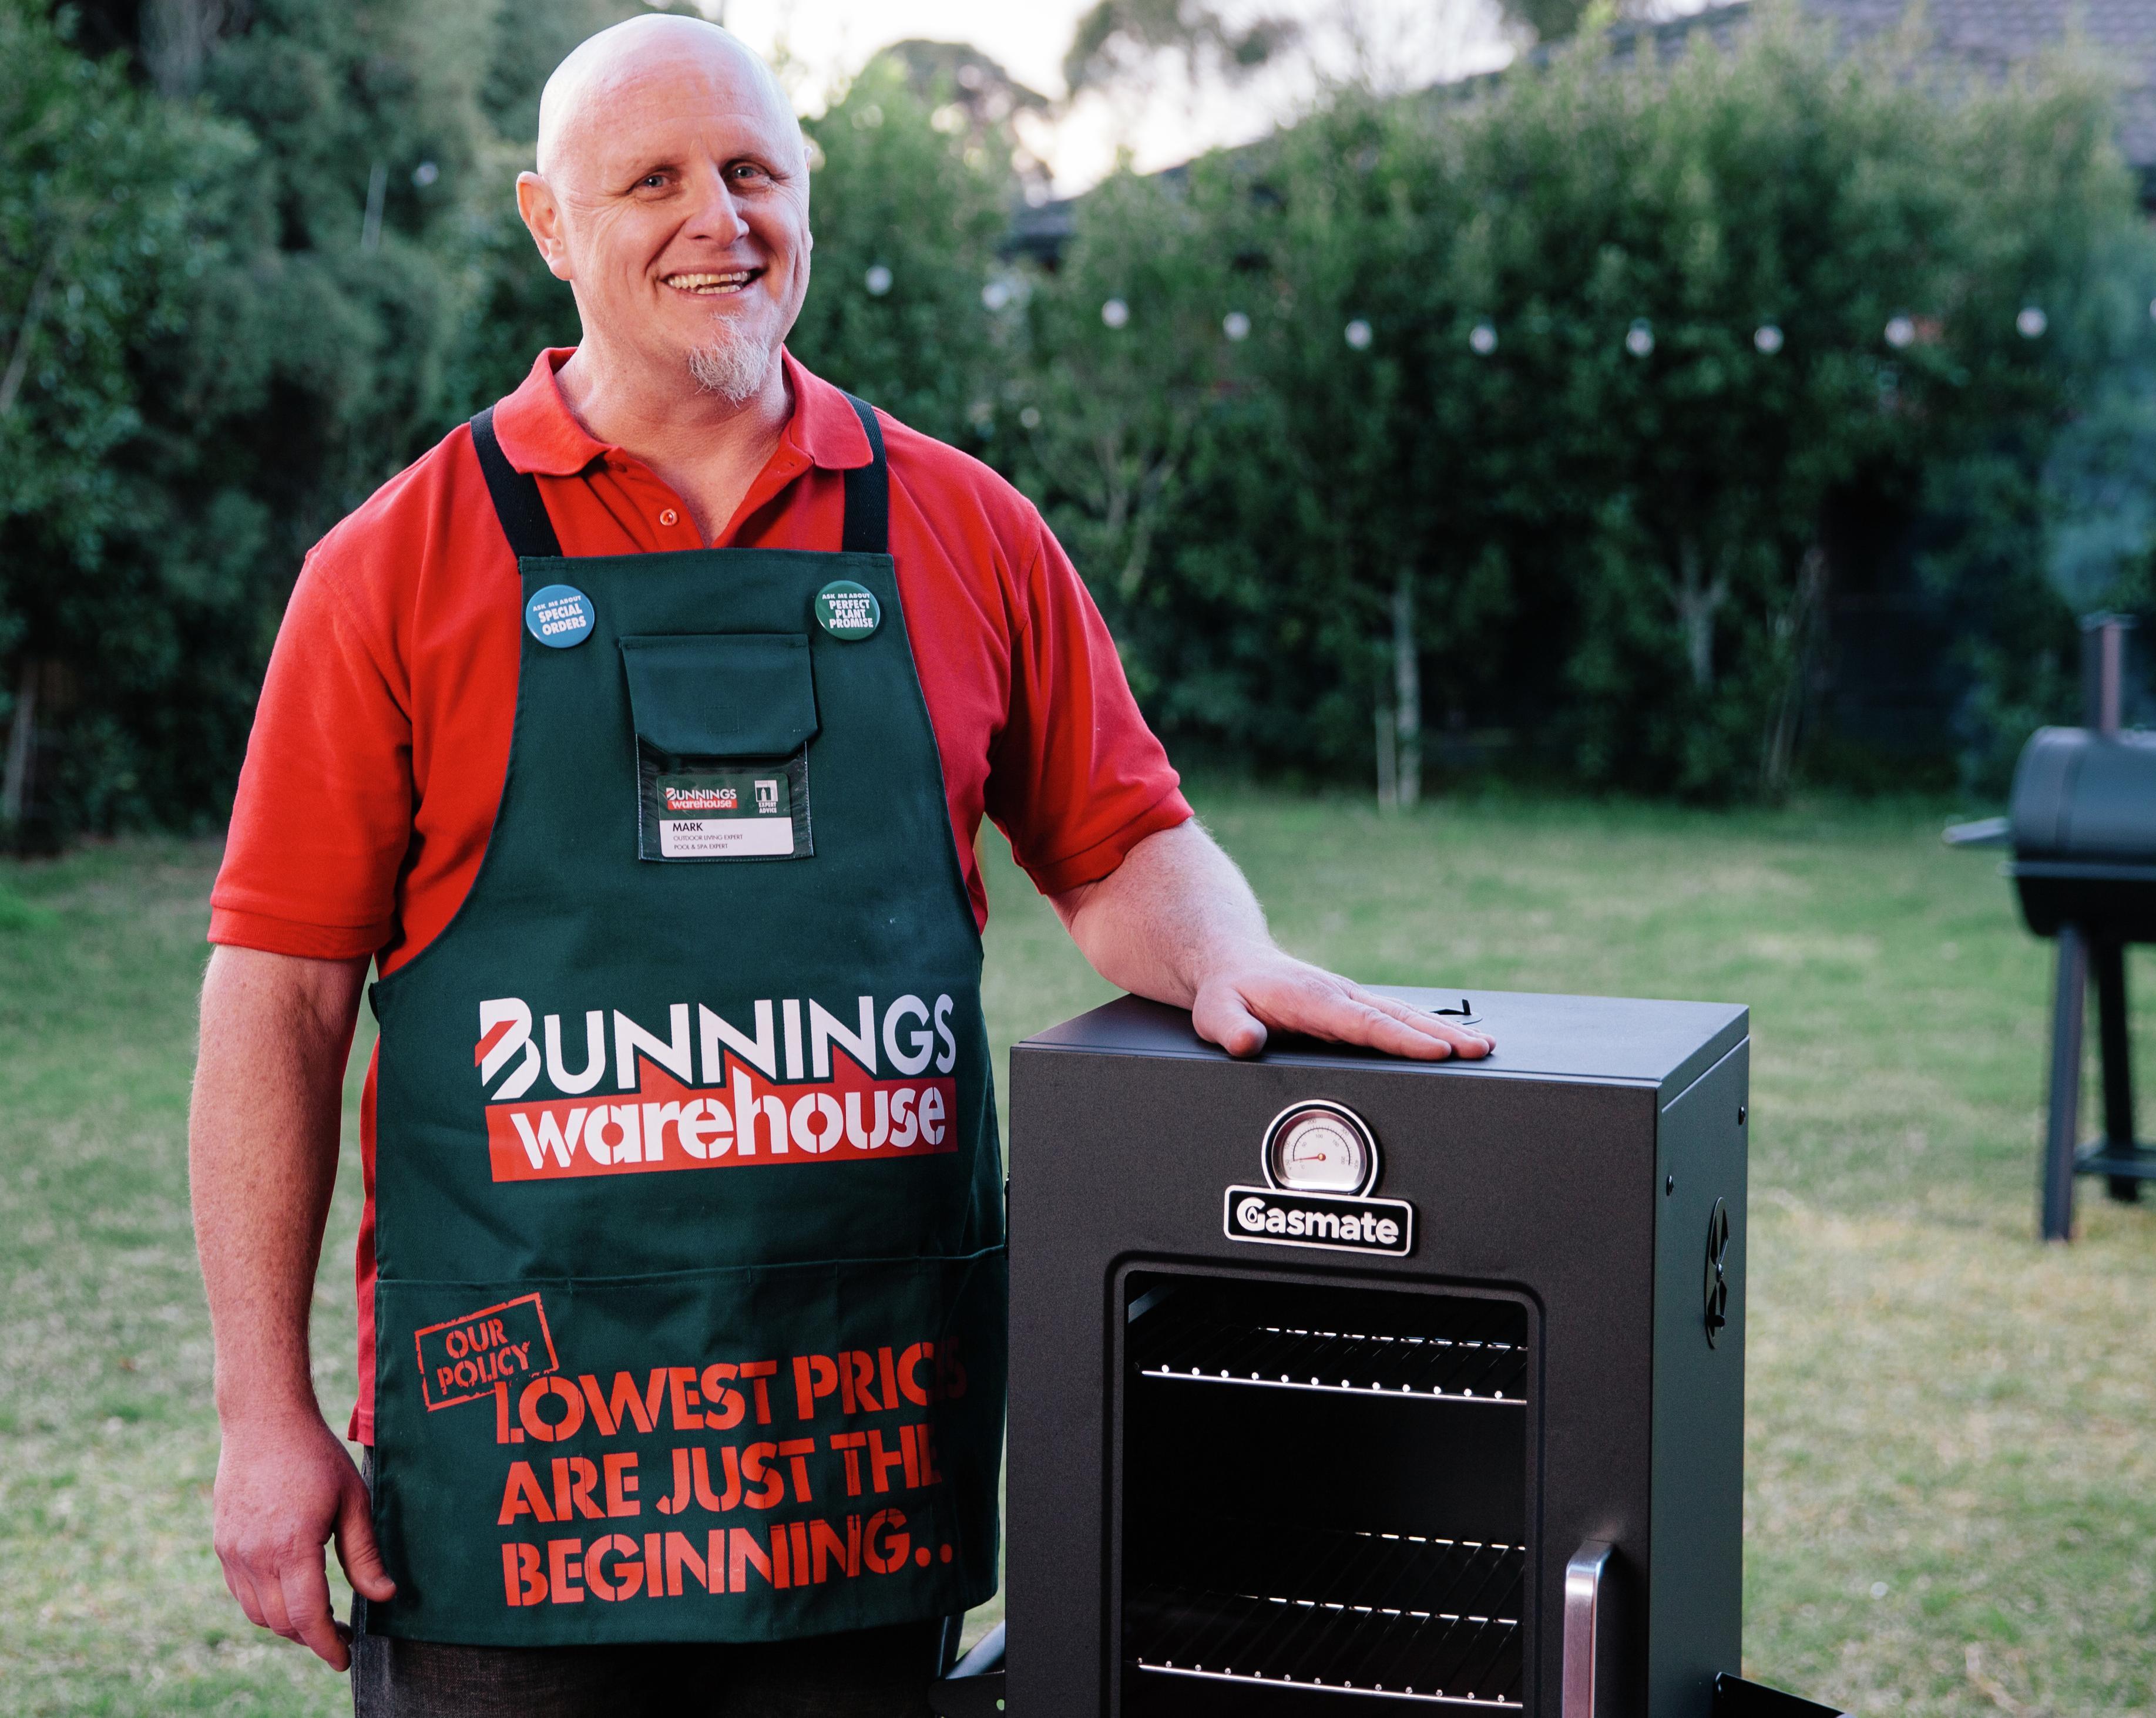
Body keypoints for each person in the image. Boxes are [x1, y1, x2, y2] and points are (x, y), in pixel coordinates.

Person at [187, 15, 1492, 1716]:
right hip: (510, 1478)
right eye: (648, 178)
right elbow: (278, 994)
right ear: (546, 222)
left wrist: (1222, 952)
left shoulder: (962, 528)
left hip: (858, 1443)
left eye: (752, 171)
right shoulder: (392, 569)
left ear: (807, 198)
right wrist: (260, 1411)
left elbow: (1120, 846)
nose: (714, 215)